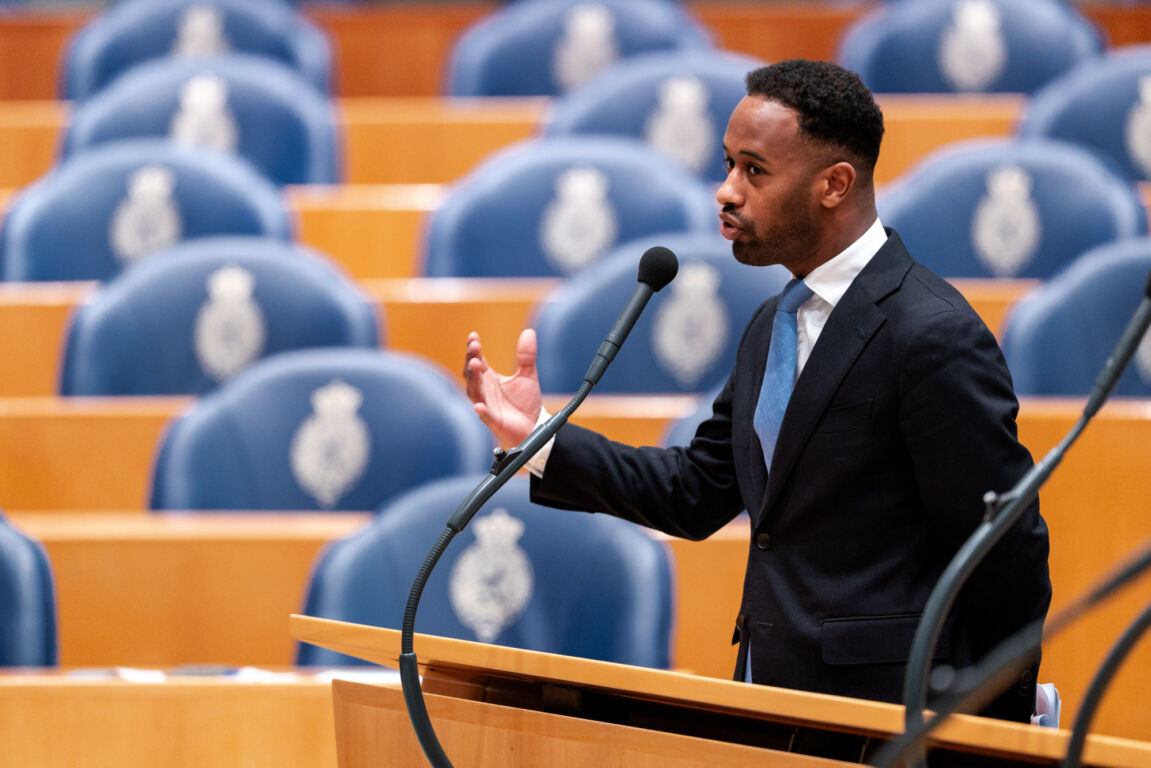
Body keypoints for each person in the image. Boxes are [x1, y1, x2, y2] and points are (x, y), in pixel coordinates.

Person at [464, 60, 1051, 726]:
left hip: (889, 720)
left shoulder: (929, 335)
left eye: (753, 170)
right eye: (726, 166)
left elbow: (1005, 550)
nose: (725, 192)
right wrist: (538, 435)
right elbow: (698, 490)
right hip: (771, 706)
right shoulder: (773, 323)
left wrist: (992, 733)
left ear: (833, 185)